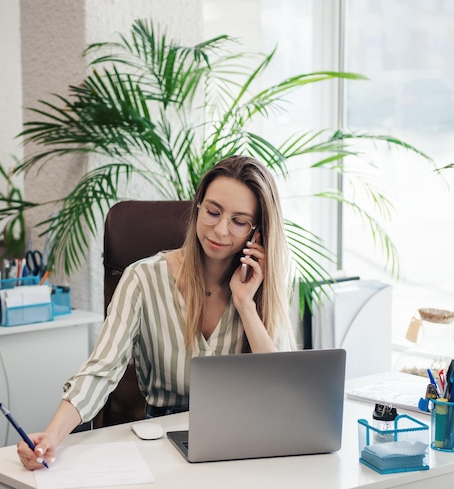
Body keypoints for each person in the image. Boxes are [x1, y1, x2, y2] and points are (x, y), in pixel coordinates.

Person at [17, 155, 296, 470]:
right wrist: (53, 435)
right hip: (164, 442)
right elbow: (101, 370)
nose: (220, 230)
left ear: (257, 232)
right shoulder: (142, 278)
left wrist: (245, 303)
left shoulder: (263, 285)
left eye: (239, 221)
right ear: (197, 208)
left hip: (243, 440)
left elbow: (280, 389)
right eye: (213, 212)